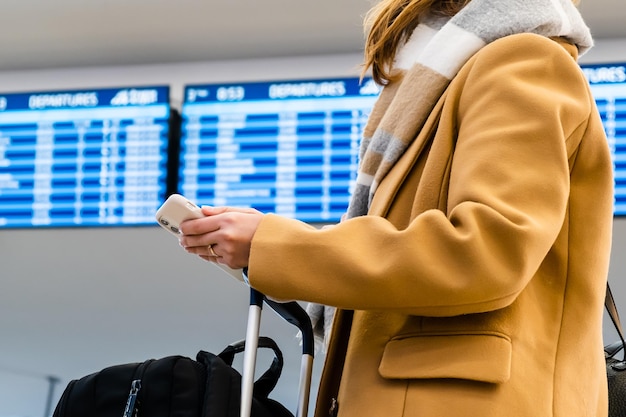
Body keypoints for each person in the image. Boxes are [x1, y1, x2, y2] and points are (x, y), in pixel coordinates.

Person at [179, 0, 614, 415]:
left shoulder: (523, 60)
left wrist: (279, 247)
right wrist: (274, 250)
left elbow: (489, 251)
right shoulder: (440, 81)